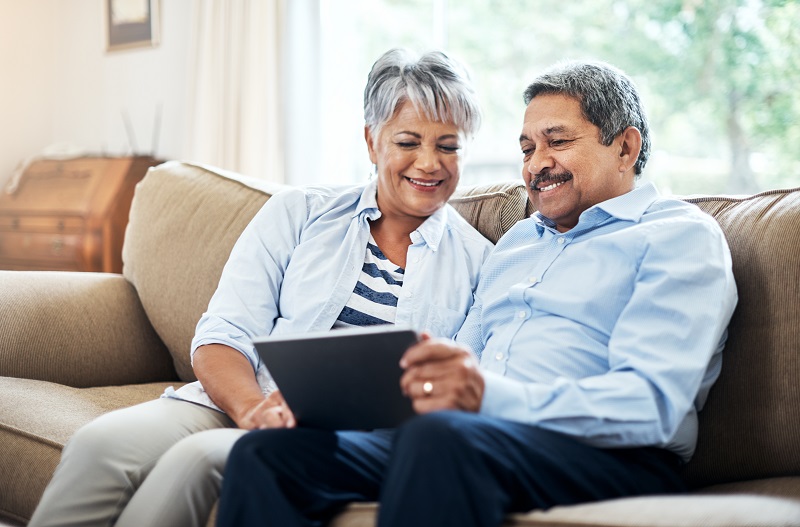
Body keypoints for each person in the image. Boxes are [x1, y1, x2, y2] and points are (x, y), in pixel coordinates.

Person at [214, 60, 738, 527]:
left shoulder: (677, 236)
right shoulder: (516, 243)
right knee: (270, 453)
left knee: (439, 439)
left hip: (608, 455)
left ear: (625, 147)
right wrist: (340, 400)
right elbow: (461, 355)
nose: (536, 165)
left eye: (557, 142)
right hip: (471, 438)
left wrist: (487, 397)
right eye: (527, 148)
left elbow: (651, 405)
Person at [28, 48, 490, 527]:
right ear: (372, 142)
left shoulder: (479, 264)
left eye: (449, 146)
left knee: (199, 461)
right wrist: (250, 407)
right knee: (99, 444)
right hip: (235, 402)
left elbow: (458, 393)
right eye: (408, 141)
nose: (429, 163)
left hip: (320, 441)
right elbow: (222, 332)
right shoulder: (299, 212)